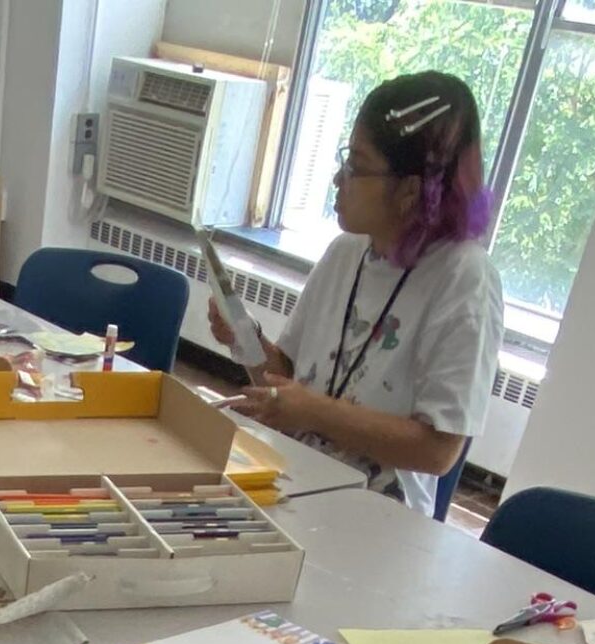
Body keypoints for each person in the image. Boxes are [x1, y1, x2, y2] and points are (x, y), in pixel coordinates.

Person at [211, 71, 501, 515]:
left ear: (410, 190)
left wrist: (313, 412)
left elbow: (438, 452)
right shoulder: (347, 251)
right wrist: (243, 339)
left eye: (357, 166)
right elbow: (286, 381)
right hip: (294, 478)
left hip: (378, 513)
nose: (337, 180)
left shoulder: (464, 278)